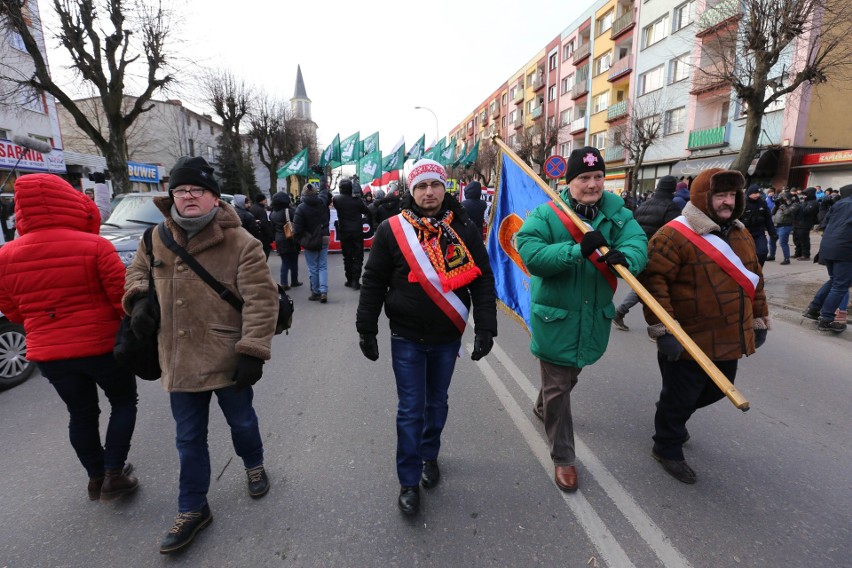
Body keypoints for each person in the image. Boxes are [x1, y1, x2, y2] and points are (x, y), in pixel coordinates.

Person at [123, 156, 278, 554]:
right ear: (171, 194)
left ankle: (253, 462)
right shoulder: (154, 237)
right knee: (188, 438)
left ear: (213, 198)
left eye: (198, 190)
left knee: (242, 422)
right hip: (177, 358)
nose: (188, 197)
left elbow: (262, 302)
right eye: (181, 190)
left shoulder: (242, 242)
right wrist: (139, 299)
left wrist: (254, 351)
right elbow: (136, 272)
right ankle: (192, 508)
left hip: (228, 355)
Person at [356, 158, 497, 516]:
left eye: (435, 185)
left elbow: (482, 278)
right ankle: (407, 480)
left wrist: (486, 326)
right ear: (411, 191)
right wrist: (366, 327)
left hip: (447, 336)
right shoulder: (392, 230)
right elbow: (373, 281)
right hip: (405, 336)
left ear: (444, 187)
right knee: (410, 409)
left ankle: (429, 455)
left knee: (437, 403)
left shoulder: (462, 226)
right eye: (421, 186)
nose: (429, 192)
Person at [516, 147, 647, 493]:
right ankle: (564, 458)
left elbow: (638, 242)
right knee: (560, 386)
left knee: (568, 377)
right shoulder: (546, 215)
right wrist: (577, 251)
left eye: (598, 177)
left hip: (592, 318)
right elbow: (530, 253)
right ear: (569, 182)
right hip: (556, 318)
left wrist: (627, 257)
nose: (592, 185)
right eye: (584, 178)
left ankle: (543, 404)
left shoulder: (617, 214)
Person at [0, 174, 139, 502]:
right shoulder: (94, 246)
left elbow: (13, 312)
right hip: (101, 346)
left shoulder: (5, 256)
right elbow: (122, 299)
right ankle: (114, 473)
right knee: (122, 401)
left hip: (49, 354)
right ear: (69, 202)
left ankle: (95, 476)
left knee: (81, 413)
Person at [640, 168, 769, 484]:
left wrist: (759, 319)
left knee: (715, 389)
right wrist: (663, 330)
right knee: (680, 394)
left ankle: (672, 415)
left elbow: (755, 280)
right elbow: (653, 282)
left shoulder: (739, 233)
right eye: (719, 195)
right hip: (687, 337)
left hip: (728, 335)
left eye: (731, 196)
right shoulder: (673, 235)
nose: (727, 202)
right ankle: (667, 447)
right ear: (703, 198)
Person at [613, 175, 682, 331]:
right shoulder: (671, 207)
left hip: (640, 250)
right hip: (660, 254)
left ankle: (621, 311)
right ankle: (662, 326)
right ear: (672, 189)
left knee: (644, 286)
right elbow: (675, 233)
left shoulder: (644, 205)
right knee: (654, 287)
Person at [802, 184, 852, 333]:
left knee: (834, 281)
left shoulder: (839, 203)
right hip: (845, 249)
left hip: (828, 246)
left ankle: (813, 309)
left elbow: (824, 222)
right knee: (841, 285)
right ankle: (826, 318)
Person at [293, 182, 331, 302]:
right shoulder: (322, 203)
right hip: (324, 237)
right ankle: (323, 291)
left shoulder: (301, 208)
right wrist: (322, 177)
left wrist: (298, 240)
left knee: (313, 268)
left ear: (303, 194)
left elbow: (297, 228)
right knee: (323, 266)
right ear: (316, 192)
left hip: (310, 240)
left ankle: (316, 292)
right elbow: (324, 192)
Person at [333, 178, 372, 290]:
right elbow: (367, 211)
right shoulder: (357, 200)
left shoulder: (337, 200)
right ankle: (355, 281)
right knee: (358, 256)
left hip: (344, 232)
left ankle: (349, 280)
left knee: (347, 257)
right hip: (357, 232)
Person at [269, 191, 302, 290]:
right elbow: (297, 223)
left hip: (279, 239)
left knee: (285, 261)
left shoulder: (273, 213)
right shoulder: (290, 211)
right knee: (293, 261)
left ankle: (284, 283)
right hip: (291, 239)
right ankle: (294, 281)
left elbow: (272, 227)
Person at [741, 184, 776, 265]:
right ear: (750, 193)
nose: (758, 195)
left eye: (759, 193)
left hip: (759, 233)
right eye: (755, 193)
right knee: (744, 255)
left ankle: (758, 270)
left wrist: (772, 233)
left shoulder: (762, 203)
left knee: (762, 252)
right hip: (745, 233)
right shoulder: (742, 203)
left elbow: (768, 219)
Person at [792, 187, 819, 260]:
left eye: (805, 195)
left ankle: (805, 255)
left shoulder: (814, 203)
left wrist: (798, 206)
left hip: (805, 224)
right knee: (796, 239)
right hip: (797, 223)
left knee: (804, 240)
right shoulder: (803, 202)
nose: (804, 196)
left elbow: (806, 212)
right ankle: (798, 253)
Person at [772, 191, 795, 264]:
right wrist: (776, 204)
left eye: (785, 198)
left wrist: (783, 206)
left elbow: (787, 212)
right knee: (771, 241)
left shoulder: (794, 205)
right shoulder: (780, 205)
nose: (784, 200)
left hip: (785, 226)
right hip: (776, 226)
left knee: (783, 243)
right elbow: (772, 212)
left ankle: (786, 259)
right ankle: (772, 256)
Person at [250, 193, 274, 259]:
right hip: (263, 237)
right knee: (264, 255)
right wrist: (270, 237)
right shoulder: (261, 210)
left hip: (254, 236)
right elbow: (265, 225)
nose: (266, 201)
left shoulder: (252, 208)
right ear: (261, 200)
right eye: (265, 200)